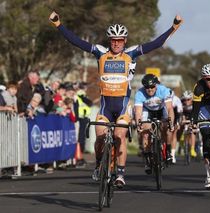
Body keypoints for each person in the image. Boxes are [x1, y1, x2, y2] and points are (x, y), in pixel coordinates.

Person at [49, 11, 183, 188]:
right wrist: (58, 24)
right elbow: (77, 41)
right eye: (113, 40)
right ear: (109, 41)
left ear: (125, 41)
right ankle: (98, 165)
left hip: (122, 107)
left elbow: (156, 43)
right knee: (99, 137)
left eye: (120, 40)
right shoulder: (100, 52)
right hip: (105, 107)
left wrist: (173, 27)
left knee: (119, 135)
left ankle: (120, 174)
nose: (116, 43)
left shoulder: (131, 54)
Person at [134, 74, 174, 174]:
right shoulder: (139, 93)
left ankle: (168, 150)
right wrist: (139, 125)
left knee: (168, 128)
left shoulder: (163, 90)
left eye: (152, 87)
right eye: (147, 87)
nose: (150, 89)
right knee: (145, 132)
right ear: (144, 87)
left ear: (156, 85)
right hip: (147, 111)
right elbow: (138, 112)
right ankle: (147, 159)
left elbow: (169, 108)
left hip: (161, 110)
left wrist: (171, 122)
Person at [180, 90, 197, 158]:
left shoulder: (195, 104)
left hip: (193, 117)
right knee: (180, 127)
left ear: (192, 99)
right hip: (185, 117)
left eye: (188, 99)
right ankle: (183, 144)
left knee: (193, 131)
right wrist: (182, 120)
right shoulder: (181, 104)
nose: (186, 101)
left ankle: (192, 149)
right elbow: (181, 114)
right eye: (184, 100)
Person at [170, 91, 183, 164]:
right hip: (165, 115)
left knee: (174, 134)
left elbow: (180, 112)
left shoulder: (176, 99)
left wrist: (178, 123)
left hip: (175, 115)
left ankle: (172, 154)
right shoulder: (162, 98)